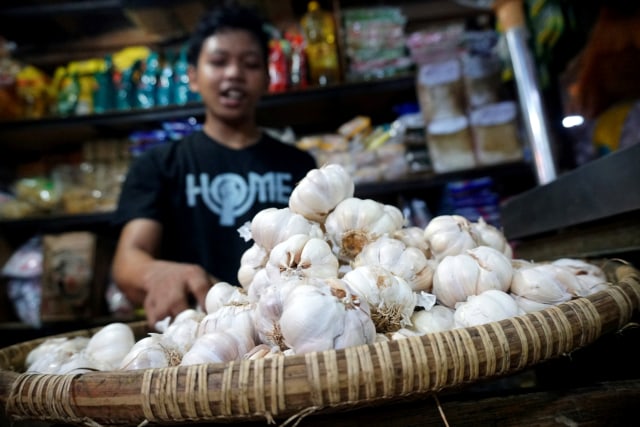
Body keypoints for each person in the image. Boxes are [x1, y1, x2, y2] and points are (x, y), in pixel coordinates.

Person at [111, 5, 317, 326]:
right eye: (219, 62)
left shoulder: (299, 165)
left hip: (283, 329)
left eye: (249, 64)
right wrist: (158, 273)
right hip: (194, 333)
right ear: (193, 76)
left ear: (266, 77)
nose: (234, 73)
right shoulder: (159, 164)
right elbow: (128, 258)